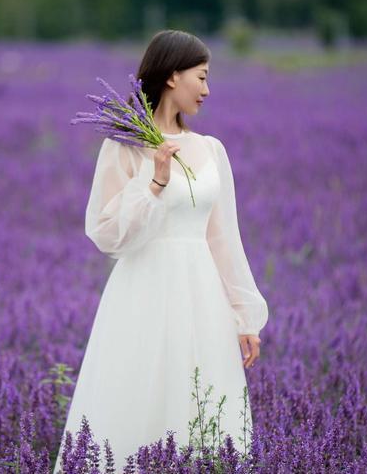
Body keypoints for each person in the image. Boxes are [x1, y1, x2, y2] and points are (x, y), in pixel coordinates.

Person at [53, 30, 269, 473]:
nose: (208, 90)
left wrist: (244, 315)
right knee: (138, 399)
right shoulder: (125, 145)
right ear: (172, 76)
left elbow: (223, 239)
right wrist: (155, 181)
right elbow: (106, 233)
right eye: (202, 77)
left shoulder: (211, 150)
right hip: (144, 291)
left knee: (202, 403)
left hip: (202, 296)